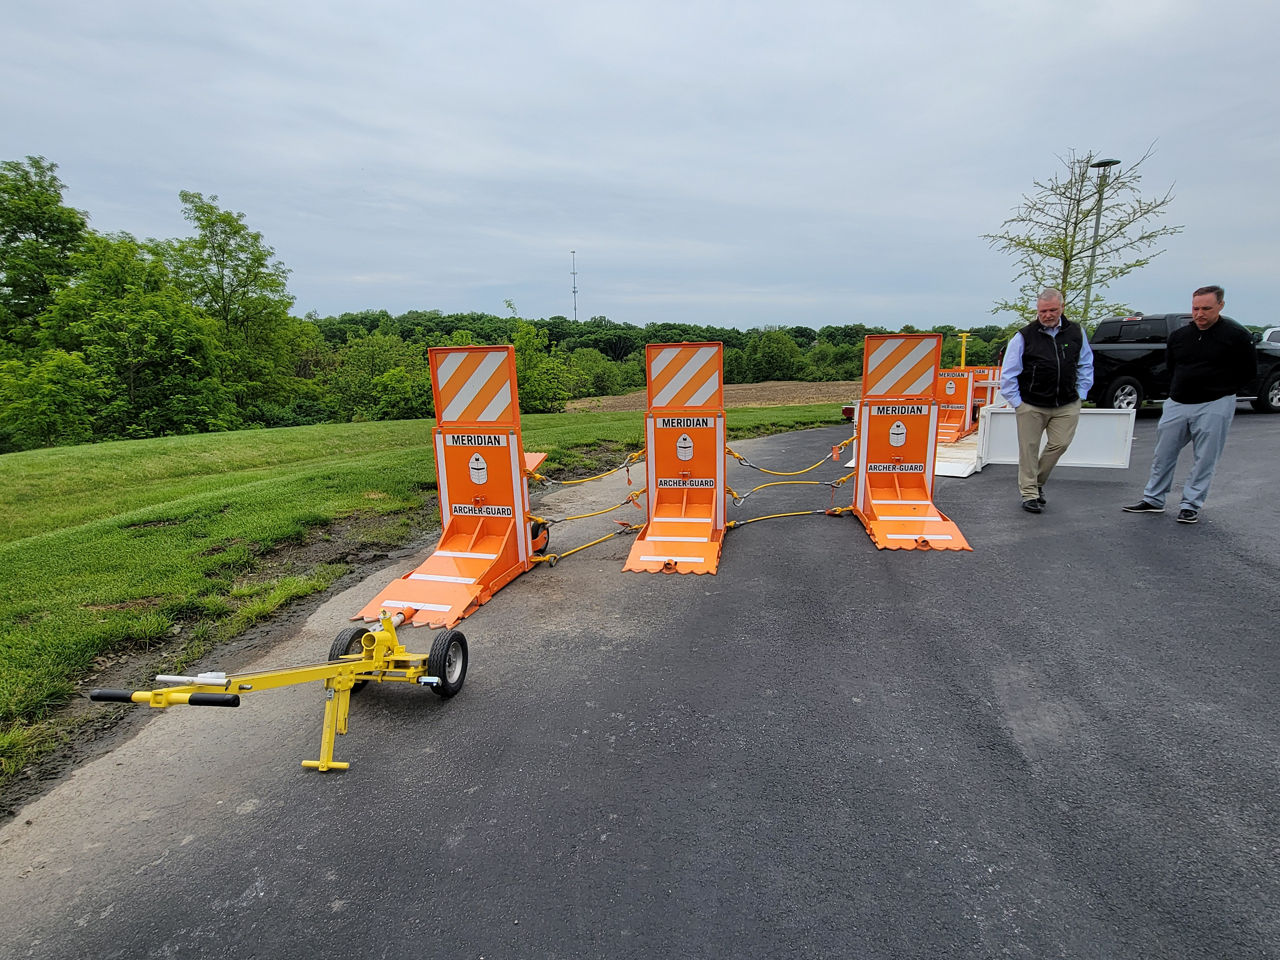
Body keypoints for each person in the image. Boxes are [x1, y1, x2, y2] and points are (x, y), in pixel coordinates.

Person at [1123, 285, 1256, 523]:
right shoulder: (1180, 336)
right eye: (1195, 308)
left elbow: (1248, 371)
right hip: (1178, 401)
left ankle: (1191, 504)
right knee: (1163, 453)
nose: (1199, 314)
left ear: (1220, 306)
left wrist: (1223, 388)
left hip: (1215, 403)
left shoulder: (1236, 336)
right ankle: (1153, 499)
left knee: (1205, 457)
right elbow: (1172, 366)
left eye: (1206, 308)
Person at [999, 288, 1094, 514]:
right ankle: (1029, 493)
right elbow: (1009, 373)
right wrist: (1017, 403)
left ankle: (1037, 482)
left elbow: (1085, 364)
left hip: (1067, 403)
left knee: (1060, 444)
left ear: (1062, 307)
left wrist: (1081, 393)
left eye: (1052, 310)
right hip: (1031, 403)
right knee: (1029, 450)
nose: (1048, 315)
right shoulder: (1023, 336)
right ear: (1037, 310)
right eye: (1043, 311)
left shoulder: (1077, 333)